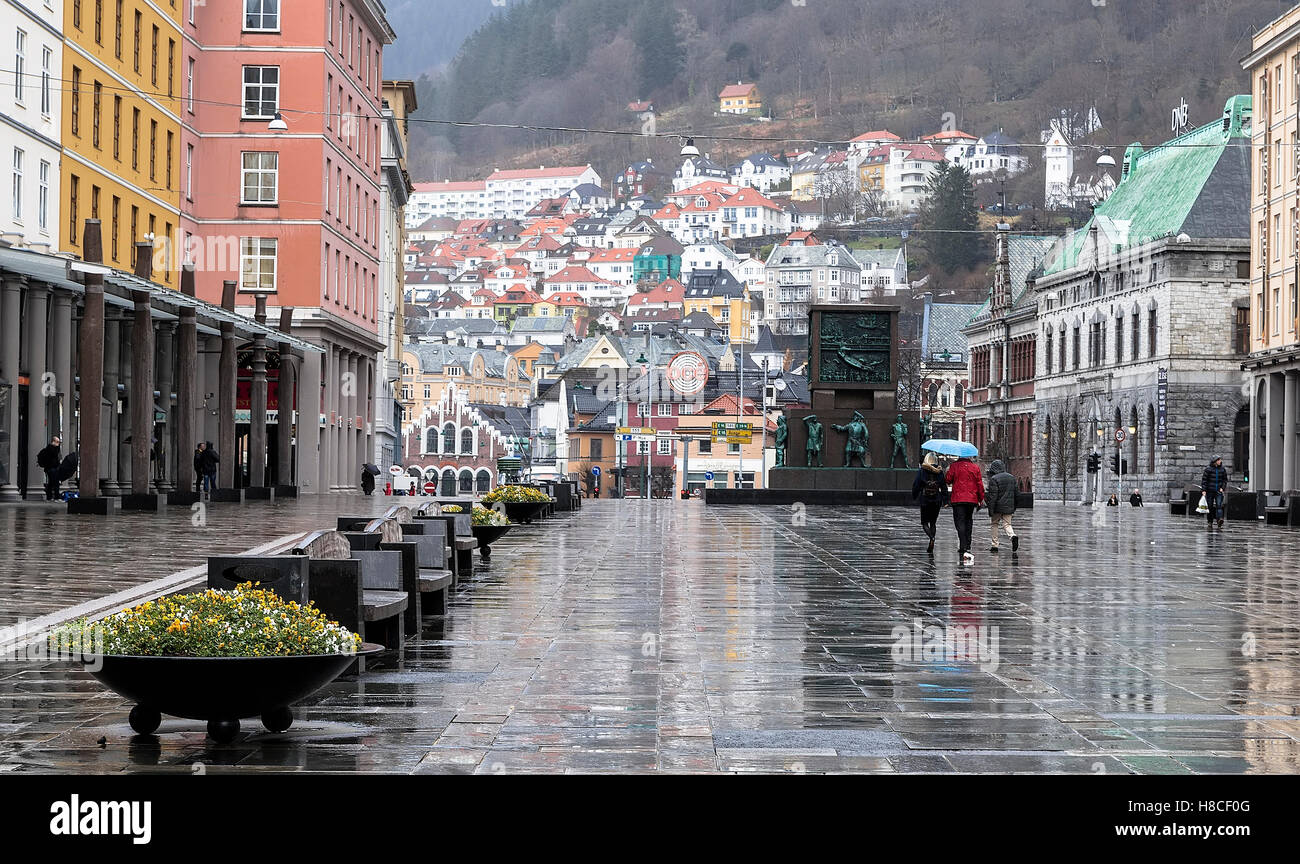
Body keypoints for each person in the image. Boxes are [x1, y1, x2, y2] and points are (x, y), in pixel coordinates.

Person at [945, 454, 984, 566]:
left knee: (959, 521)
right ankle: (968, 544)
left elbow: (948, 480)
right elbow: (979, 485)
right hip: (971, 499)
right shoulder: (975, 467)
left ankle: (962, 544)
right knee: (968, 520)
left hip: (958, 499)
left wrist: (949, 472)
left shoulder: (954, 466)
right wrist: (980, 499)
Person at [911, 453, 949, 555]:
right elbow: (944, 487)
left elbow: (916, 485)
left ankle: (931, 538)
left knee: (924, 522)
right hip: (936, 500)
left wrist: (914, 496)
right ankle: (932, 538)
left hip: (925, 500)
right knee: (933, 523)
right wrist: (945, 501)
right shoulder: (940, 472)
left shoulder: (922, 471)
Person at [984, 459, 1019, 553]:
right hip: (1009, 506)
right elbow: (1017, 494)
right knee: (1007, 524)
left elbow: (993, 496)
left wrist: (990, 510)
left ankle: (995, 545)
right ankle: (1012, 536)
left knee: (994, 524)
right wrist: (1014, 506)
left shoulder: (994, 479)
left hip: (997, 507)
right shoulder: (1012, 477)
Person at [1201, 455, 1229, 529]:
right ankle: (1210, 522)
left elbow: (1225, 480)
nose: (1220, 461)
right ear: (1215, 461)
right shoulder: (1208, 469)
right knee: (1209, 506)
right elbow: (1204, 481)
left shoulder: (1222, 469)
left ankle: (1219, 520)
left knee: (1219, 506)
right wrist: (1204, 490)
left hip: (1218, 491)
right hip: (1209, 491)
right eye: (1219, 460)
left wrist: (1222, 488)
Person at [36, 436, 62, 501]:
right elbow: (55, 454)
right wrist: (57, 447)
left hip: (50, 468)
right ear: (54, 442)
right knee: (56, 482)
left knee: (51, 483)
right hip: (51, 468)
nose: (58, 443)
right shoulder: (51, 448)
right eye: (58, 442)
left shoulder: (50, 448)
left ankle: (49, 497)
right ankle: (56, 497)